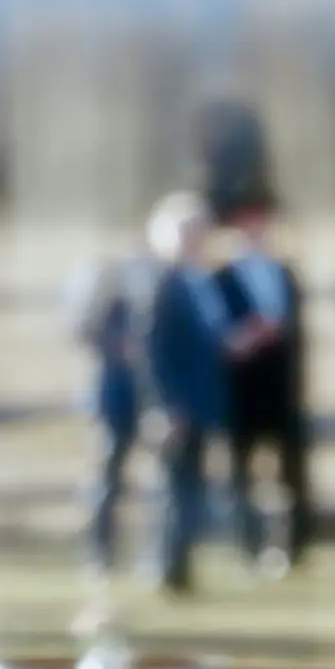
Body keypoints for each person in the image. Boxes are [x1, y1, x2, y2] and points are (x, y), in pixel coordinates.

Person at [196, 100, 315, 576]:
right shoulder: (221, 276)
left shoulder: (286, 273)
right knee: (242, 472)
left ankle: (293, 545)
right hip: (243, 387)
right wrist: (244, 339)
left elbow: (300, 334)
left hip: (282, 387)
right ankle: (246, 544)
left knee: (290, 472)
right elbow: (215, 335)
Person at [139, 191, 236, 595]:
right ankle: (168, 569)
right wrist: (166, 406)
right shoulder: (163, 285)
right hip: (176, 408)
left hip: (201, 404)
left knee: (190, 488)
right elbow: (153, 352)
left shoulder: (201, 281)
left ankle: (180, 568)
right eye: (186, 231)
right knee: (174, 489)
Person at [66, 229, 161, 582]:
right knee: (107, 478)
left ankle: (152, 556)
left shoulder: (165, 284)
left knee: (158, 484)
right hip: (114, 398)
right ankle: (99, 553)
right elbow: (82, 329)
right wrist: (118, 346)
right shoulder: (107, 287)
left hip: (153, 398)